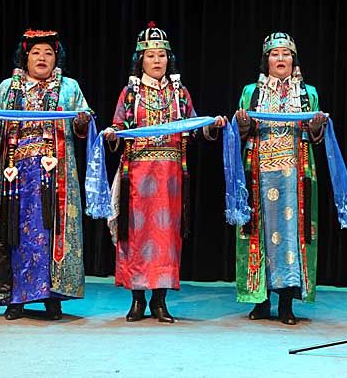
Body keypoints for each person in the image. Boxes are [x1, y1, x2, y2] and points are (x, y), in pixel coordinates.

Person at [104, 22, 224, 323]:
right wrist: (113, 133)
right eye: (151, 56)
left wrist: (211, 125)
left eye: (162, 55)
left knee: (166, 238)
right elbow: (118, 125)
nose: (157, 61)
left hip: (169, 176)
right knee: (135, 235)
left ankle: (160, 301)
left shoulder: (179, 92)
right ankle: (137, 300)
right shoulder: (130, 93)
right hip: (138, 174)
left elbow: (193, 126)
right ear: (140, 60)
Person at [0, 30, 92, 320]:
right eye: (36, 53)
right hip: (15, 173)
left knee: (51, 233)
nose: (42, 58)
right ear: (25, 57)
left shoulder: (69, 88)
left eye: (48, 53)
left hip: (55, 173)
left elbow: (83, 123)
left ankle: (53, 299)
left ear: (56, 58)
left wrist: (82, 121)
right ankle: (15, 299)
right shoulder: (8, 88)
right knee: (15, 234)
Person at [233, 32, 327, 325]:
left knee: (291, 237)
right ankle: (260, 301)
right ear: (267, 60)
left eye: (286, 53)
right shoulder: (252, 92)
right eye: (275, 54)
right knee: (257, 232)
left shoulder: (307, 93)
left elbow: (314, 135)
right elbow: (242, 131)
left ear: (293, 59)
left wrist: (316, 125)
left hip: (294, 175)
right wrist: (243, 124)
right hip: (259, 172)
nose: (281, 58)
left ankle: (286, 303)